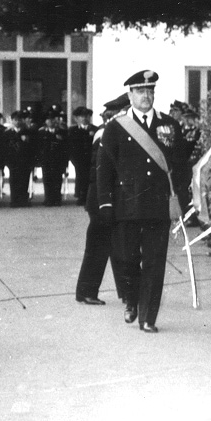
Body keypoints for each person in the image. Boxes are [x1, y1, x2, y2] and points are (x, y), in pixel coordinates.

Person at [96, 70, 190, 333]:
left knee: (155, 260)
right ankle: (131, 298)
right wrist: (105, 203)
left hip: (158, 205)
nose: (146, 96)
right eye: (140, 91)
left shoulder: (170, 125)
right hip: (126, 205)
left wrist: (179, 197)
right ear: (130, 95)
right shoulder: (116, 127)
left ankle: (148, 316)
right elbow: (104, 169)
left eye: (150, 91)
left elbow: (182, 165)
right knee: (126, 258)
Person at [75, 94, 128, 305]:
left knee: (118, 245)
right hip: (101, 200)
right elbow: (101, 173)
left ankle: (127, 291)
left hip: (108, 198)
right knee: (98, 247)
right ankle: (86, 291)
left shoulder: (108, 131)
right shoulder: (106, 133)